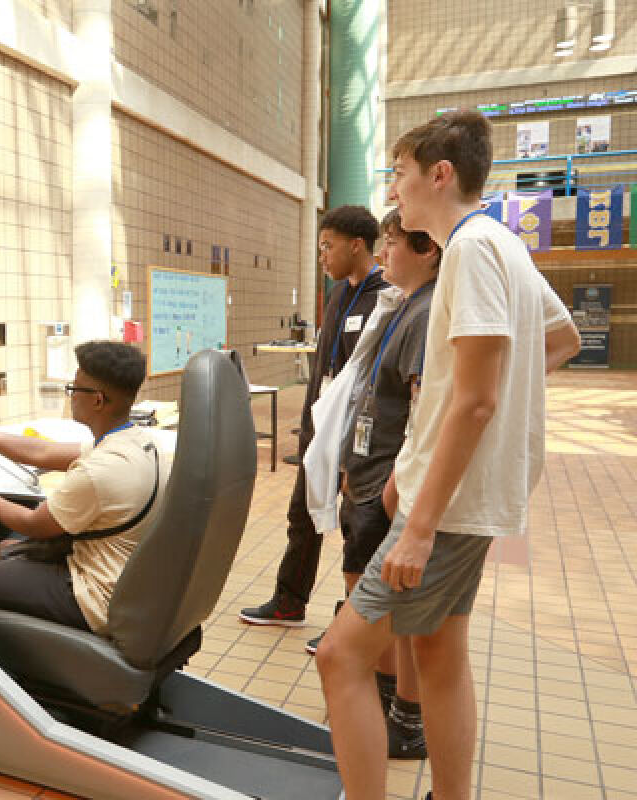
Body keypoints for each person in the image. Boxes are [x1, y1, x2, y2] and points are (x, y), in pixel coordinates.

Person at [315, 110, 580, 800]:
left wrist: (423, 519)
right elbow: (561, 338)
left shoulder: (469, 246)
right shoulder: (506, 245)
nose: (394, 192)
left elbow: (476, 401)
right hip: (462, 494)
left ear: (439, 173)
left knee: (342, 659)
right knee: (438, 652)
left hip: (450, 507)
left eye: (400, 174)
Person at [0, 340, 167, 644]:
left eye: (74, 388)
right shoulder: (135, 442)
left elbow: (31, 525)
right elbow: (39, 452)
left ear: (98, 400)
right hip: (124, 579)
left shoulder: (99, 471)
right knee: (3, 550)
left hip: (97, 595)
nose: (71, 395)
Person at [313, 208, 441, 759]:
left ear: (426, 249)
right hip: (366, 474)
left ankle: (402, 716)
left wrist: (392, 487)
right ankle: (390, 701)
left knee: (390, 613)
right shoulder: (398, 305)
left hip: (386, 483)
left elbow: (421, 413)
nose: (384, 252)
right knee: (366, 590)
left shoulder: (425, 312)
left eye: (392, 242)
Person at [241, 206, 389, 628]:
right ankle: (289, 603)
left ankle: (347, 626)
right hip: (319, 427)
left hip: (356, 435)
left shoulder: (384, 297)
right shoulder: (340, 293)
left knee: (355, 527)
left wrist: (351, 448)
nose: (322, 256)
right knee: (302, 515)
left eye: (328, 246)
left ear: (357, 245)